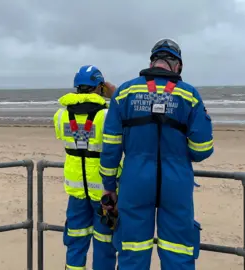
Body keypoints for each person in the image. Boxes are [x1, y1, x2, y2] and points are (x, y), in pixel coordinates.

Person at [99, 39, 214, 269]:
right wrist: (179, 152)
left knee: (132, 249)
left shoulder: (124, 93)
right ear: (178, 66)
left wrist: (109, 186)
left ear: (153, 61)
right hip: (176, 181)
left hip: (134, 181)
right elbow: (202, 149)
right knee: (178, 250)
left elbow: (111, 146)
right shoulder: (189, 95)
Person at [53, 64, 120, 270]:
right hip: (104, 191)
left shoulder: (60, 116)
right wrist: (114, 94)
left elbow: (71, 137)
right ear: (100, 87)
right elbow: (126, 111)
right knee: (104, 243)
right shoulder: (107, 115)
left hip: (76, 190)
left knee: (75, 239)